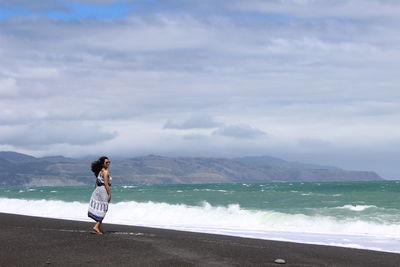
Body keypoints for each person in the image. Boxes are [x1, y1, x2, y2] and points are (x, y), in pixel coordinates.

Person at [88, 156, 112, 234]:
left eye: (109, 162)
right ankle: (96, 226)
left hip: (98, 190)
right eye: (106, 162)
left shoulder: (100, 171)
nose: (108, 163)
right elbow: (106, 184)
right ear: (102, 164)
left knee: (101, 208)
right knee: (104, 208)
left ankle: (100, 228)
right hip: (103, 190)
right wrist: (109, 194)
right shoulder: (105, 172)